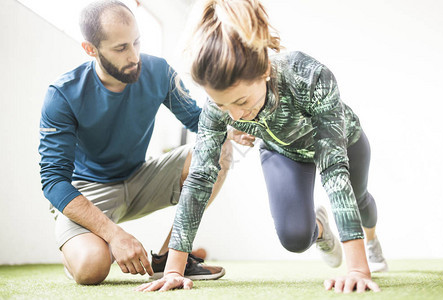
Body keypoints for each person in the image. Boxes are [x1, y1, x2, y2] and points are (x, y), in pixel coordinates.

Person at [136, 0, 388, 294]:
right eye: (221, 104)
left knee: (360, 203)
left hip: (343, 142)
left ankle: (371, 241)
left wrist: (356, 268)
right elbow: (200, 177)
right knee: (294, 237)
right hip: (284, 152)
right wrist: (173, 270)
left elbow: (333, 168)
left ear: (265, 70)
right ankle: (320, 227)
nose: (234, 116)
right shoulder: (219, 108)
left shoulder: (309, 76)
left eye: (241, 102)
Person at [38, 0, 235, 285]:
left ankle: (169, 255)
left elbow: (199, 122)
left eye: (137, 42)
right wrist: (114, 235)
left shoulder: (158, 71)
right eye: (121, 48)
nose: (134, 56)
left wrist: (238, 121)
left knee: (219, 146)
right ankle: (79, 251)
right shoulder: (62, 94)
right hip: (90, 189)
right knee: (91, 268)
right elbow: (53, 181)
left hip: (139, 176)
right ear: (90, 49)